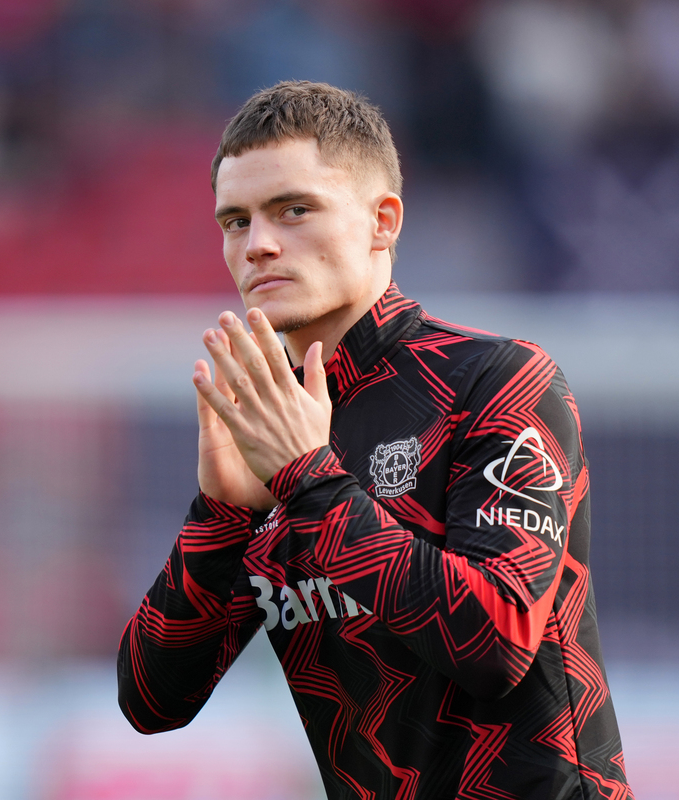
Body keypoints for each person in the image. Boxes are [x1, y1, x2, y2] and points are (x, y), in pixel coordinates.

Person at [117, 80, 630, 800]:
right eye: (235, 221)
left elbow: (496, 640)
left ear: (382, 222)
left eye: (294, 210)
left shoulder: (497, 381)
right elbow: (151, 702)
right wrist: (221, 518)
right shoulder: (268, 435)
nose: (258, 245)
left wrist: (310, 478)